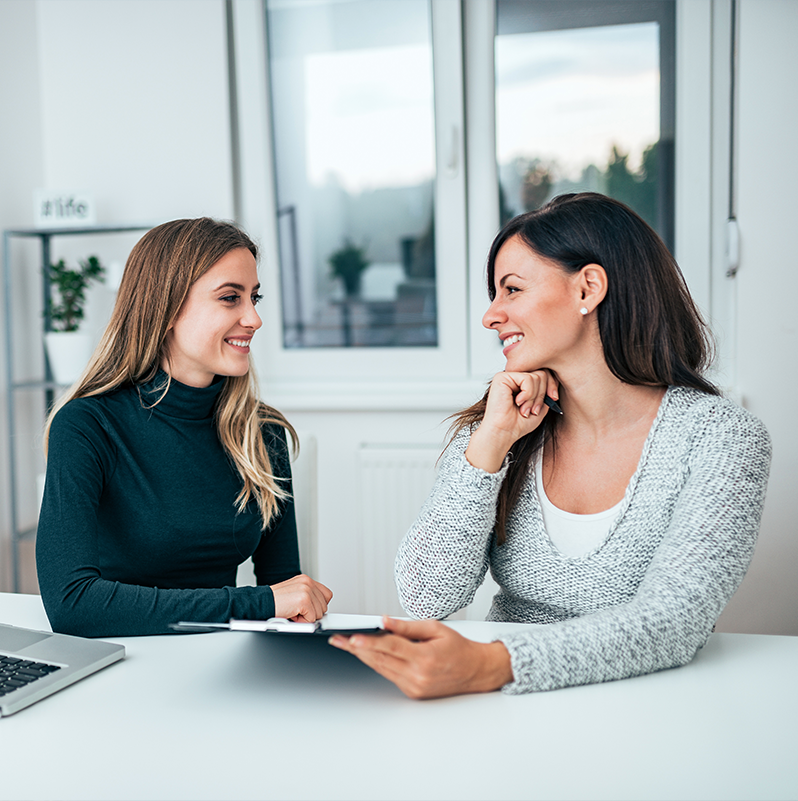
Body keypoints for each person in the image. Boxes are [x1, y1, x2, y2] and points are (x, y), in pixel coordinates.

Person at [330, 193, 771, 697]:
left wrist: (492, 664)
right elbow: (427, 595)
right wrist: (489, 445)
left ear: (588, 287)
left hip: (647, 706)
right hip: (501, 706)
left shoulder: (721, 437)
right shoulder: (504, 425)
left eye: (511, 289)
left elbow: (671, 621)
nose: (491, 316)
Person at [36, 217, 332, 637]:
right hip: (119, 664)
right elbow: (73, 604)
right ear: (167, 308)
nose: (254, 319)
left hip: (223, 663)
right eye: (231, 298)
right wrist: (258, 603)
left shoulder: (261, 431)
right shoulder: (87, 425)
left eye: (255, 298)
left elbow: (285, 591)